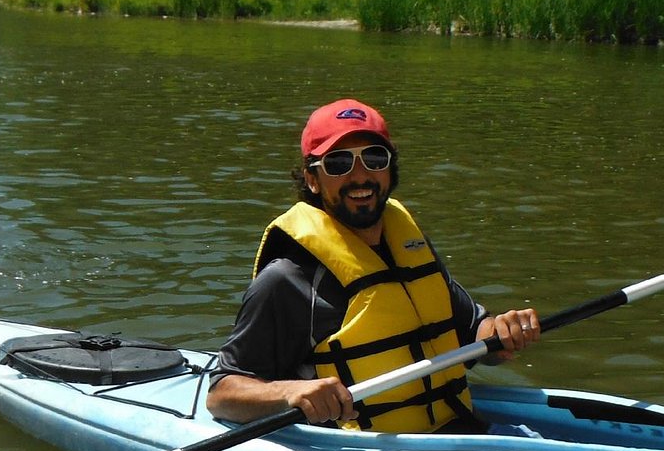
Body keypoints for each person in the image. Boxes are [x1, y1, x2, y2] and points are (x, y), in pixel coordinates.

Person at [207, 98, 540, 432]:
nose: (361, 176)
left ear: (390, 168)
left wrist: (502, 332)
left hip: (459, 435)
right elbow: (222, 394)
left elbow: (475, 336)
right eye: (339, 163)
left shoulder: (409, 248)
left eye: (374, 158)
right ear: (312, 179)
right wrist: (290, 391)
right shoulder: (288, 279)